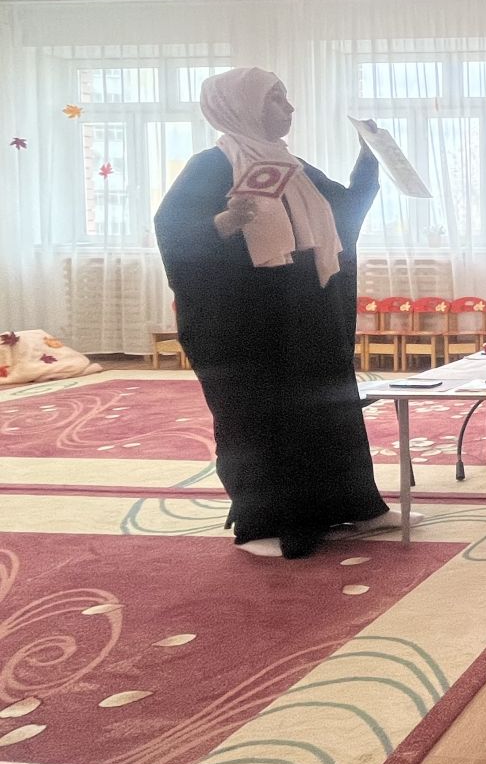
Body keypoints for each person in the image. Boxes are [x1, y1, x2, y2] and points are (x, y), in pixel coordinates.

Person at [154, 68, 393, 559]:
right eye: (276, 99)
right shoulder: (210, 167)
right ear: (239, 106)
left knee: (327, 408)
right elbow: (174, 233)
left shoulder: (292, 166)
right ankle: (266, 522)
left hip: (308, 309)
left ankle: (351, 505)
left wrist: (370, 158)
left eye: (286, 97)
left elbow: (343, 213)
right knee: (262, 418)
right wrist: (224, 223)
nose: (289, 108)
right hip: (246, 323)